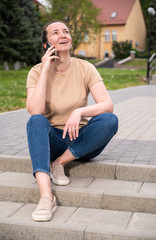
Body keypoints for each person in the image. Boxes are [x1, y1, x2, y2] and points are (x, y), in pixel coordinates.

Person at [26, 20, 118, 222]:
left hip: (81, 140)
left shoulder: (85, 68)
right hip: (53, 140)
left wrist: (79, 111)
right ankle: (45, 196)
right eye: (55, 33)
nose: (63, 35)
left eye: (66, 31)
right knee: (36, 122)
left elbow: (107, 104)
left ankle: (60, 162)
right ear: (46, 44)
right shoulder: (35, 72)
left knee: (110, 120)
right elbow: (35, 110)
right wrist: (44, 70)